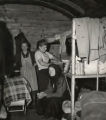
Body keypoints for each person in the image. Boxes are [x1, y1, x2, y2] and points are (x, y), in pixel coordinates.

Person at [14, 41, 38, 107]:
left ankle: (34, 102)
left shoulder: (32, 53)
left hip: (32, 72)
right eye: (22, 46)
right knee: (25, 87)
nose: (24, 47)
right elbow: (15, 64)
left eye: (25, 46)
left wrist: (35, 64)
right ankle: (27, 103)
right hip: (23, 72)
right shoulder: (18, 55)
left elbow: (37, 61)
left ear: (27, 47)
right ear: (21, 47)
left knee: (33, 87)